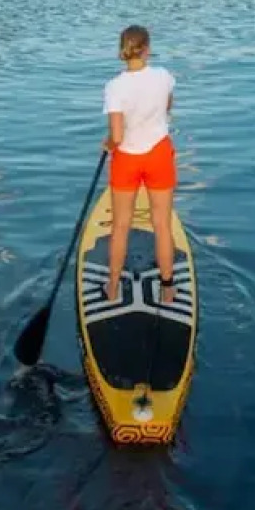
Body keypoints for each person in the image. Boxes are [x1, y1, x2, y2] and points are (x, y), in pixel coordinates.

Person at [100, 25, 178, 306]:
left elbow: (117, 136)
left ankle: (112, 287)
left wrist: (107, 144)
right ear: (147, 49)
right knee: (162, 224)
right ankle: (167, 290)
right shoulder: (164, 76)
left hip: (127, 159)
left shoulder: (114, 86)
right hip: (158, 154)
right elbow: (167, 107)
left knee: (121, 225)